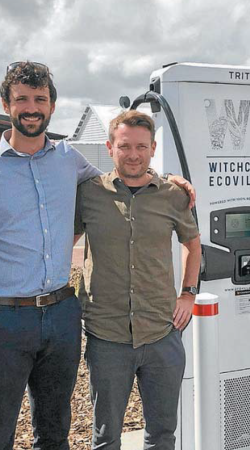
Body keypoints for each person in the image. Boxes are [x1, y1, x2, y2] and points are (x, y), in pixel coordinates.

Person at [0, 62, 195, 450]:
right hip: (3, 320)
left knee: (54, 431)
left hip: (61, 316)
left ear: (51, 106)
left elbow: (125, 176)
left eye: (40, 99)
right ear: (5, 104)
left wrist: (168, 180)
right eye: (22, 99)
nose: (32, 107)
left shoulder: (69, 160)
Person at [74, 110, 201, 449]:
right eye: (125, 146)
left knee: (162, 433)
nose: (133, 155)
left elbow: (192, 244)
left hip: (161, 333)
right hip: (106, 335)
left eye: (141, 147)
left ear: (153, 148)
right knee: (105, 437)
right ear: (110, 147)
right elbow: (59, 243)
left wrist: (188, 294)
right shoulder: (88, 194)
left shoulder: (173, 196)